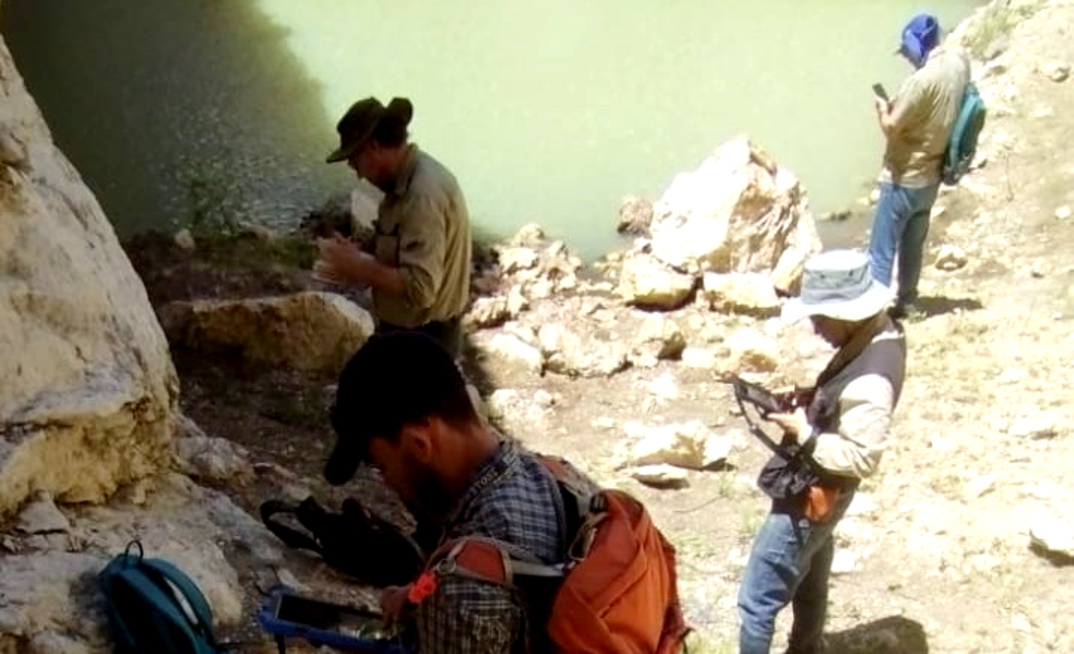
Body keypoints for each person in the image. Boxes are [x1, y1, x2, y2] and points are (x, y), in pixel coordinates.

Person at [324, 331, 588, 654]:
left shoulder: (461, 593)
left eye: (381, 466)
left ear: (419, 443)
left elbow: (469, 592)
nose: (389, 484)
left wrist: (441, 603)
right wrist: (417, 595)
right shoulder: (559, 478)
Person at [737, 250, 907, 654]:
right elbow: (845, 398)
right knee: (810, 574)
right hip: (830, 496)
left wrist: (806, 433)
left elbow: (864, 458)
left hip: (816, 492)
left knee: (757, 600)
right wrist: (813, 399)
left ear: (847, 314)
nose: (815, 328)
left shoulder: (871, 384)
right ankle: (808, 648)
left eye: (819, 317)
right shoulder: (884, 332)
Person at [316, 96, 472, 357]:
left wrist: (359, 266)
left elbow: (421, 288)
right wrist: (362, 253)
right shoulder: (405, 181)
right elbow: (404, 251)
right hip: (410, 334)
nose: (359, 174)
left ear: (373, 147)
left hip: (425, 343)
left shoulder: (422, 195)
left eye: (356, 162)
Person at [869, 14, 970, 318]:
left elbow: (891, 127)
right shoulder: (958, 63)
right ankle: (908, 302)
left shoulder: (920, 80)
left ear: (916, 46)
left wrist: (880, 108)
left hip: (903, 178)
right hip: (932, 176)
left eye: (907, 51)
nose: (907, 58)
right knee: (913, 244)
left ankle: (872, 315)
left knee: (881, 251)